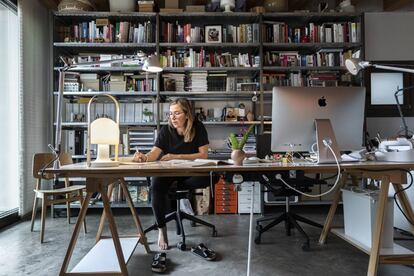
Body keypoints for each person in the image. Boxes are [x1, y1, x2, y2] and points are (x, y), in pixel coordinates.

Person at [133, 98, 212, 250]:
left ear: (187, 114)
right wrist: (144, 157)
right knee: (156, 186)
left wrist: (175, 156)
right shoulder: (166, 130)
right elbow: (154, 154)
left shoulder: (198, 127)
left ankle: (177, 203)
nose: (173, 117)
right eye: (170, 114)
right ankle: (162, 230)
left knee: (205, 178)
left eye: (177, 113)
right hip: (169, 173)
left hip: (190, 173)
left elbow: (204, 155)